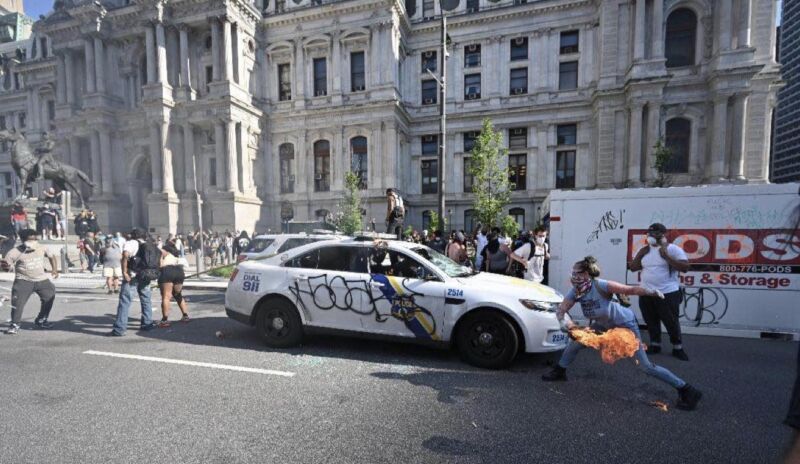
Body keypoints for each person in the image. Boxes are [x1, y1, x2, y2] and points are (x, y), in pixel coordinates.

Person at [542, 256, 702, 411]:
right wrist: (566, 324)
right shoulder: (576, 291)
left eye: (577, 273)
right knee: (575, 344)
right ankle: (560, 371)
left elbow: (629, 289)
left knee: (645, 366)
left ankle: (687, 389)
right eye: (573, 272)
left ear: (586, 274)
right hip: (603, 325)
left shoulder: (600, 285)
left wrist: (650, 292)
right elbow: (562, 310)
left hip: (625, 325)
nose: (573, 276)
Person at [629, 222, 691, 361]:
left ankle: (677, 347)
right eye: (649, 234)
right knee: (651, 320)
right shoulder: (644, 250)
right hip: (646, 292)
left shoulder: (673, 249)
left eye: (656, 234)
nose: (652, 236)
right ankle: (655, 344)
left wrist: (666, 256)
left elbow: (685, 267)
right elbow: (633, 268)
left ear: (664, 235)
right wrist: (640, 254)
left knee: (671, 321)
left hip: (668, 292)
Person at [3, 229, 59, 334]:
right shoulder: (14, 252)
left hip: (41, 280)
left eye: (35, 239)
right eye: (30, 240)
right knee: (17, 304)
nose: (33, 242)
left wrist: (54, 270)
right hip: (23, 281)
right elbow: (6, 267)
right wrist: (5, 267)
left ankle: (41, 319)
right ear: (23, 240)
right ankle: (14, 324)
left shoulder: (42, 248)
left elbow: (52, 257)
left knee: (49, 296)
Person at [109, 229, 159, 336]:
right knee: (146, 300)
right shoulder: (148, 244)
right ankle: (147, 324)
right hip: (145, 275)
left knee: (125, 302)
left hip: (132, 276)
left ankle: (119, 329)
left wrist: (124, 272)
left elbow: (125, 256)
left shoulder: (131, 243)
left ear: (134, 235)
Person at [157, 238, 190, 327]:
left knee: (166, 297)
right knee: (178, 295)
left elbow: (160, 258)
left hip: (167, 270)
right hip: (179, 271)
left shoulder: (165, 251)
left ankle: (164, 320)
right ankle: (185, 316)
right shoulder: (175, 252)